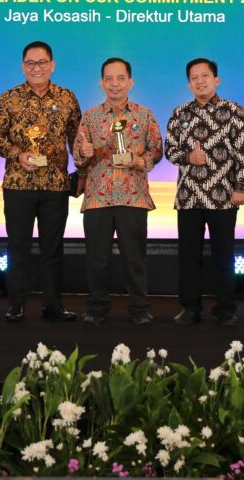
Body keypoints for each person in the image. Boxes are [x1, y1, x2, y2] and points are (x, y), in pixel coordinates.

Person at [0, 41, 82, 322]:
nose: (36, 68)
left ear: (52, 65)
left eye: (42, 63)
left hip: (55, 185)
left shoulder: (67, 97)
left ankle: (53, 304)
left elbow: (77, 139)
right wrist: (17, 154)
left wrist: (84, 171)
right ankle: (16, 304)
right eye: (30, 63)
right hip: (19, 185)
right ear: (22, 66)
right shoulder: (9, 98)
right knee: (18, 247)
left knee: (53, 248)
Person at [164, 58, 244, 326]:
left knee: (223, 255)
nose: (200, 81)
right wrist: (189, 157)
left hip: (223, 195)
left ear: (216, 80)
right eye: (194, 77)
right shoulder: (180, 113)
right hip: (188, 196)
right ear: (189, 84)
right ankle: (190, 307)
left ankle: (225, 309)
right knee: (188, 256)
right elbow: (170, 150)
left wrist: (240, 187)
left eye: (205, 76)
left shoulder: (233, 111)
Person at [74, 57, 163, 325]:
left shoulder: (144, 115)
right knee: (97, 260)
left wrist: (140, 161)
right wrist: (83, 153)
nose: (115, 84)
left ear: (130, 82)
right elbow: (78, 157)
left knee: (134, 259)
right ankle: (97, 308)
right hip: (98, 198)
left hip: (133, 196)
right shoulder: (90, 116)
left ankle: (139, 309)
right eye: (109, 79)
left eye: (120, 78)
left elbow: (157, 151)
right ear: (101, 83)